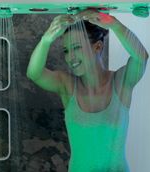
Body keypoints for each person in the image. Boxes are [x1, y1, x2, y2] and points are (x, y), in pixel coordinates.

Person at [26, 9, 149, 172]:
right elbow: (34, 73)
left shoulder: (121, 82)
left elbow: (141, 57)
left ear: (98, 46)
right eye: (66, 50)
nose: (70, 57)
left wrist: (114, 24)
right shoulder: (67, 85)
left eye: (76, 47)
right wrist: (46, 39)